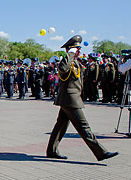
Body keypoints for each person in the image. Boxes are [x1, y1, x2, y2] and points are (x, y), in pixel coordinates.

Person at [46, 35, 118, 164]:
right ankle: (101, 152)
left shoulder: (77, 63)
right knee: (84, 127)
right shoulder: (66, 61)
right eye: (76, 49)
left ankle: (51, 151)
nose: (79, 51)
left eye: (79, 49)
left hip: (72, 98)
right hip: (70, 99)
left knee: (60, 126)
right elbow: (62, 70)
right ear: (70, 50)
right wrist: (70, 54)